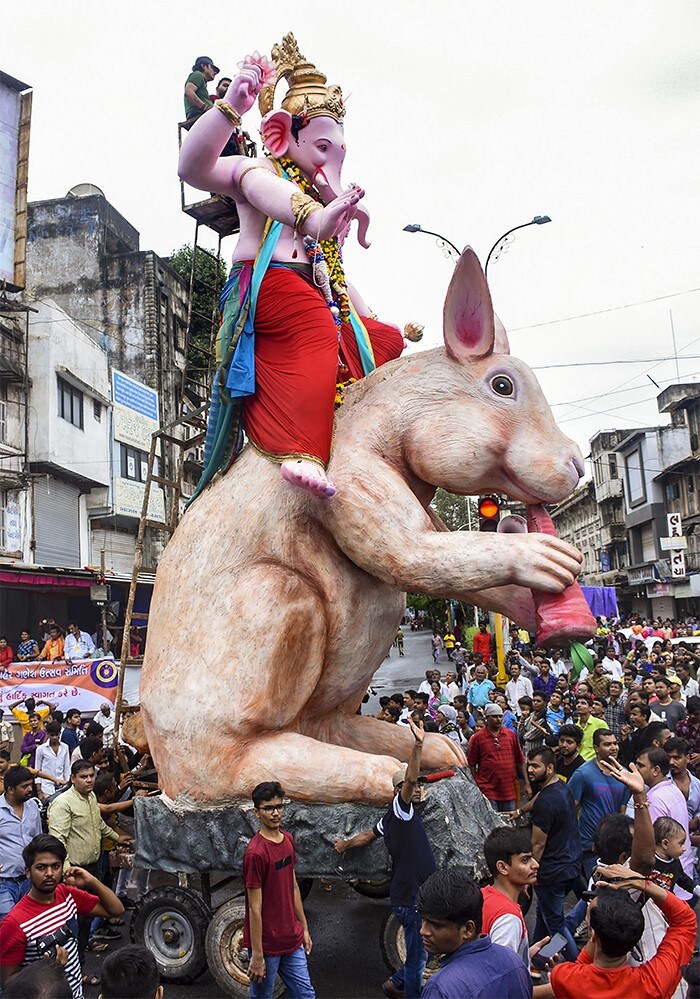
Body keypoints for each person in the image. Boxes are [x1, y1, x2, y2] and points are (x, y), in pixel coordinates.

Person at [335, 718, 435, 999]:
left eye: (415, 786)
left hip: (410, 897)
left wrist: (345, 845)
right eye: (408, 787)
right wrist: (418, 744)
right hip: (411, 899)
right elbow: (412, 777)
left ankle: (395, 983)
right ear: (397, 791)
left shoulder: (393, 818)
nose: (415, 788)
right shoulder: (400, 808)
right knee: (417, 962)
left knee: (420, 954)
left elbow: (369, 834)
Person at [536, 862, 696, 999]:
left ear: (592, 935)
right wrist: (643, 884)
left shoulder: (565, 978)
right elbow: (685, 920)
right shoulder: (654, 983)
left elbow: (579, 971)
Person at [0, 833, 125, 999]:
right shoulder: (14, 923)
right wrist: (51, 970)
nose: (50, 873)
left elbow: (116, 909)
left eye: (56, 866)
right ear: (28, 872)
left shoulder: (67, 895)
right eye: (41, 867)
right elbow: (9, 983)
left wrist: (92, 881)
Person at [48, 761, 132, 960]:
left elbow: (98, 826)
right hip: (75, 872)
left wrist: (116, 837)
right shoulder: (64, 803)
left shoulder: (91, 797)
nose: (89, 780)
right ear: (72, 779)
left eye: (91, 776)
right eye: (83, 777)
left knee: (86, 920)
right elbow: (57, 841)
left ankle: (80, 965)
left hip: (93, 868)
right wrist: (67, 871)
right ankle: (71, 969)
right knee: (71, 924)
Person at [240, 780, 313, 998]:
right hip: (267, 946)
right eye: (269, 808)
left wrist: (305, 928)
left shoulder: (288, 840)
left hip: (291, 939)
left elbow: (292, 887)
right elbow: (255, 908)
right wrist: (258, 956)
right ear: (256, 812)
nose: (275, 813)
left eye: (279, 806)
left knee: (306, 995)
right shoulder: (256, 853)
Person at [418, 868, 533, 999]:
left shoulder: (440, 989)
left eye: (436, 925)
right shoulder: (514, 961)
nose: (423, 931)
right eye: (423, 920)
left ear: (468, 929)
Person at [528, 746, 582, 961]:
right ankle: (538, 958)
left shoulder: (546, 801)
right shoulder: (561, 787)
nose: (530, 770)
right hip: (570, 865)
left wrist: (528, 874)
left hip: (552, 872)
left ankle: (576, 965)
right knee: (544, 915)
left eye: (535, 766)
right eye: (529, 765)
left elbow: (537, 844)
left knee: (556, 924)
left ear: (549, 768)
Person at [567, 729, 632, 880]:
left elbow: (622, 811)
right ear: (596, 748)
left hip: (615, 846)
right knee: (597, 887)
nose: (614, 747)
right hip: (590, 845)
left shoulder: (624, 774)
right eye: (608, 744)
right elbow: (569, 807)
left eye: (615, 743)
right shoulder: (583, 774)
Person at [634, 747, 695, 896]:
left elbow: (650, 845)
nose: (635, 769)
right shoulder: (673, 789)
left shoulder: (655, 799)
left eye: (641, 765)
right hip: (681, 875)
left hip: (668, 884)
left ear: (656, 770)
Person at [482, 826, 540, 965]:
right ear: (502, 867)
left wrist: (525, 956)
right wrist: (550, 987)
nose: (535, 864)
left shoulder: (484, 895)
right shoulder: (508, 919)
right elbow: (501, 978)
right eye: (525, 860)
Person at [467, 704, 531, 811]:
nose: (498, 719)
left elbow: (520, 760)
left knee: (508, 822)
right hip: (487, 788)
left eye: (500, 716)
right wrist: (476, 784)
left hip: (508, 788)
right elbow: (472, 763)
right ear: (487, 718)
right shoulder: (478, 737)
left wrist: (527, 783)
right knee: (493, 824)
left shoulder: (510, 735)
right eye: (494, 716)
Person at [0, 765, 43, 919]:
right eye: (24, 786)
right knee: (8, 924)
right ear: (11, 790)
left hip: (29, 881)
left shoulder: (33, 807)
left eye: (30, 785)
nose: (30, 789)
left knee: (30, 924)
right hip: (4, 883)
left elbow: (38, 840)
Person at [651, 815, 700, 899]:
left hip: (665, 905)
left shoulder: (674, 862)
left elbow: (683, 879)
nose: (684, 848)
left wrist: (696, 889)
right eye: (681, 844)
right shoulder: (648, 860)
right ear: (665, 844)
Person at [34, 721, 71, 798]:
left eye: (56, 735)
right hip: (46, 788)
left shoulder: (65, 747)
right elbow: (37, 770)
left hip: (62, 788)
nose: (54, 737)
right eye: (52, 735)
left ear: (60, 734)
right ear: (47, 734)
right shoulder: (41, 749)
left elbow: (67, 768)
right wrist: (39, 791)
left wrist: (68, 786)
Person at [184, 56, 219, 123]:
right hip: (199, 115)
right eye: (213, 69)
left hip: (203, 115)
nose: (215, 73)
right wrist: (205, 107)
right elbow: (188, 92)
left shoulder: (202, 80)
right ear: (203, 66)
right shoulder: (198, 74)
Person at [575, 695, 608, 761]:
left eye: (583, 703)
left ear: (590, 708)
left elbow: (607, 743)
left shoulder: (600, 723)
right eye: (578, 703)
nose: (579, 705)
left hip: (595, 762)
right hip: (578, 762)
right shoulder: (575, 727)